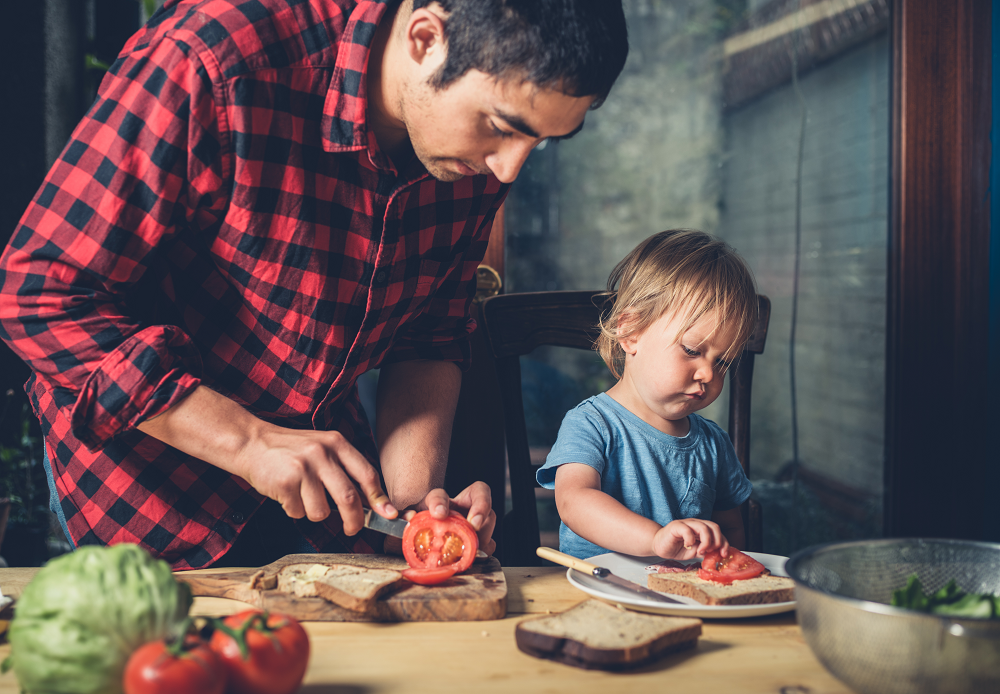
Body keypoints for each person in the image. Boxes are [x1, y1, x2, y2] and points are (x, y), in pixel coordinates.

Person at [0, 0, 629, 569]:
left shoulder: (476, 159)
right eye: (499, 125)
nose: (507, 168)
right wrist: (249, 442)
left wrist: (414, 510)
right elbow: (40, 293)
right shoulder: (213, 57)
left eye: (539, 143)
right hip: (142, 488)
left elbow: (429, 335)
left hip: (324, 494)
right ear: (424, 39)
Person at [536, 229, 758, 561]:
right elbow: (574, 501)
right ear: (630, 331)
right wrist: (655, 540)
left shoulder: (714, 444)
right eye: (691, 350)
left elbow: (733, 530)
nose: (710, 374)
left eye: (723, 361)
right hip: (601, 596)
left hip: (685, 603)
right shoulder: (591, 424)